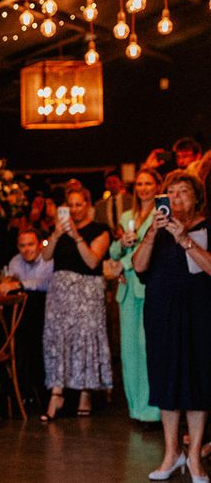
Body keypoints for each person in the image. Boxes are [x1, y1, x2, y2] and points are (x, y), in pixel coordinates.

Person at [133, 170, 211, 482]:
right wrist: (152, 233)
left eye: (183, 192)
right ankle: (171, 452)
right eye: (171, 192)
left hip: (200, 315)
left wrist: (184, 240)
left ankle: (193, 457)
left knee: (197, 380)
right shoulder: (157, 230)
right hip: (162, 313)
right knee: (166, 380)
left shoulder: (205, 227)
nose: (176, 197)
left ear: (197, 198)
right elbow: (138, 266)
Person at [41, 186, 112, 421]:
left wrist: (77, 237)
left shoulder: (100, 230)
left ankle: (85, 391)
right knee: (58, 339)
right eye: (70, 205)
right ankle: (57, 391)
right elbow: (46, 256)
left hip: (87, 292)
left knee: (85, 339)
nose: (74, 209)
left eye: (78, 204)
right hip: (60, 293)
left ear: (88, 205)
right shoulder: (59, 231)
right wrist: (56, 234)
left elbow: (92, 261)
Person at [105, 168, 162, 425]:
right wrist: (121, 248)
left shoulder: (160, 215)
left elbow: (155, 250)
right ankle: (135, 409)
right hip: (127, 290)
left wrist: (123, 265)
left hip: (149, 286)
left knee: (147, 348)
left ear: (157, 186)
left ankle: (154, 410)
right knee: (129, 352)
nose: (144, 188)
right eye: (140, 183)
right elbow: (115, 250)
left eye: (148, 183)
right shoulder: (127, 215)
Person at [0, 227, 54, 403]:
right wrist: (12, 284)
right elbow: (8, 282)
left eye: (30, 244)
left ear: (38, 244)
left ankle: (33, 389)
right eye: (22, 245)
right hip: (23, 317)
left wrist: (19, 284)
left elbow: (45, 284)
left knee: (31, 299)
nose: (27, 249)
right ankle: (18, 387)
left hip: (44, 312)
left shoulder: (48, 260)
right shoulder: (15, 261)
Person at [94, 170, 133, 237]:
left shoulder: (131, 201)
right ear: (105, 185)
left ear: (121, 183)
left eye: (114, 182)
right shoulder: (99, 205)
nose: (112, 185)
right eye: (109, 183)